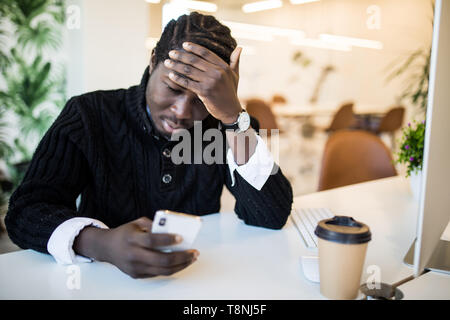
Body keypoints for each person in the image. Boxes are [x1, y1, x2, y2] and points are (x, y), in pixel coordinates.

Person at [5, 12, 293, 279]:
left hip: (198, 277)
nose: (181, 112)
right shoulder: (90, 114)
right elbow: (26, 212)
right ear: (154, 60)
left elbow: (270, 216)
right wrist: (100, 242)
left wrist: (233, 118)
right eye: (173, 88)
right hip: (100, 280)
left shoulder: (229, 127)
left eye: (201, 100)